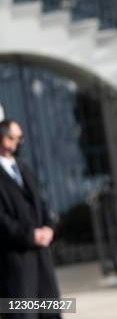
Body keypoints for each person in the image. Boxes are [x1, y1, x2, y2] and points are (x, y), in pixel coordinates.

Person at [0, 119, 61, 319]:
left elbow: (41, 204)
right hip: (16, 265)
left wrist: (49, 228)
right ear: (3, 139)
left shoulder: (23, 168)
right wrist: (29, 235)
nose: (18, 142)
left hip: (41, 261)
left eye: (20, 138)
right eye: (14, 138)